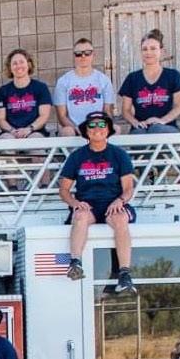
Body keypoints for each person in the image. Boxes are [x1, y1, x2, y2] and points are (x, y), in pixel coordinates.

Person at [59, 111, 137, 290]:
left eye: (102, 124)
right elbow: (63, 190)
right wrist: (75, 203)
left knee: (120, 219)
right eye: (92, 125)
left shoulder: (119, 154)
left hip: (113, 203)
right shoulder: (77, 156)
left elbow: (128, 188)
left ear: (108, 129)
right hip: (88, 205)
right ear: (86, 131)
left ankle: (124, 273)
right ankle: (75, 263)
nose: (97, 128)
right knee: (79, 216)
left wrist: (120, 201)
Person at [119, 29, 180, 134]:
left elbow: (179, 106)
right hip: (141, 128)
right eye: (144, 49)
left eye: (153, 48)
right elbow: (126, 110)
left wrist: (162, 121)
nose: (148, 52)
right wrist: (136, 123)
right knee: (139, 134)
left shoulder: (173, 75)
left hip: (167, 127)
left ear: (161, 51)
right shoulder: (132, 78)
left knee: (157, 129)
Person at [52, 38, 114, 137]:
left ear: (93, 55)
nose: (83, 56)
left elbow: (107, 112)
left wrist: (99, 128)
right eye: (78, 54)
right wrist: (76, 128)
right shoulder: (63, 81)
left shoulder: (104, 80)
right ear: (74, 56)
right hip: (73, 128)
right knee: (67, 131)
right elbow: (62, 116)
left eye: (87, 53)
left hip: (97, 127)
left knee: (116, 129)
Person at [0, 49, 56, 139]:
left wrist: (28, 129)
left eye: (21, 62)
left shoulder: (41, 87)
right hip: (10, 132)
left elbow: (44, 116)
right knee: (6, 139)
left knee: (35, 139)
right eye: (14, 63)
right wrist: (12, 131)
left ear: (29, 64)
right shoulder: (3, 91)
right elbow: (0, 119)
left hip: (34, 131)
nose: (18, 66)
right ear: (10, 68)